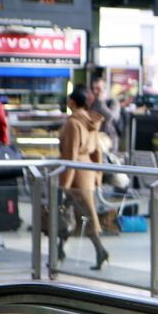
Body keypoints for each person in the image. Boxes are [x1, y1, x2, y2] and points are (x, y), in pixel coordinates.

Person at [59, 87, 110, 271]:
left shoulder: (73, 123)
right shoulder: (91, 122)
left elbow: (70, 154)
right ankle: (59, 250)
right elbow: (97, 151)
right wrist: (97, 176)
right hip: (87, 172)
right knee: (69, 214)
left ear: (72, 102)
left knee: (81, 215)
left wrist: (64, 183)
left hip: (74, 176)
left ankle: (100, 250)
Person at [90, 78, 123, 154]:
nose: (95, 91)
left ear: (105, 89)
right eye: (94, 89)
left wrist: (101, 103)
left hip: (110, 142)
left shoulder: (113, 103)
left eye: (98, 88)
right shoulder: (93, 104)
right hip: (95, 142)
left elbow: (112, 117)